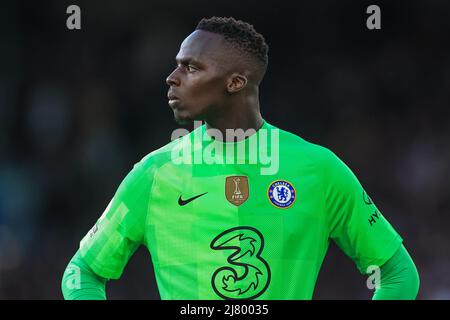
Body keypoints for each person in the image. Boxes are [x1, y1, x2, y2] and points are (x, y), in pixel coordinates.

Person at [62, 16, 419, 300]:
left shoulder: (319, 170)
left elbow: (397, 273)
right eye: (176, 66)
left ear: (235, 82)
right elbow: (83, 272)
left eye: (191, 67)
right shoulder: (156, 174)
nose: (171, 78)